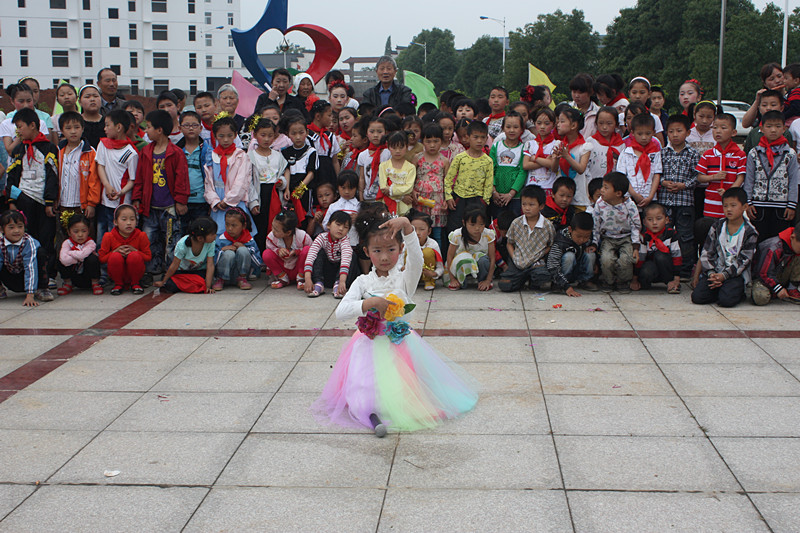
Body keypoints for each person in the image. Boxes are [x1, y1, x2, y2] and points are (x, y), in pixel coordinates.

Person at [311, 212, 478, 437]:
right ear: (366, 251)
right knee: (365, 391)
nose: (384, 257)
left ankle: (391, 409)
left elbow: (416, 260)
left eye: (391, 249)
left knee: (399, 389)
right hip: (367, 345)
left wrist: (408, 228)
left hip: (399, 345)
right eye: (377, 251)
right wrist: (368, 303)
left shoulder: (404, 279)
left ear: (400, 249)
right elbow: (341, 311)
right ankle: (370, 412)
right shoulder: (363, 282)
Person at [132, 109, 190, 285]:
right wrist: (137, 198)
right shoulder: (146, 152)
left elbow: (182, 178)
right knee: (149, 240)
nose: (146, 130)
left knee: (172, 241)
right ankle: (151, 270)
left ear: (159, 130)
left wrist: (180, 200)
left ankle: (171, 272)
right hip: (150, 207)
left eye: (149, 127)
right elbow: (140, 177)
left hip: (169, 207)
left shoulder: (175, 152)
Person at [6, 108, 59, 289]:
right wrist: (12, 201)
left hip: (43, 201)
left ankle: (48, 276)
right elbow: (12, 176)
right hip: (24, 199)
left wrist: (50, 201)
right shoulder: (18, 150)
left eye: (20, 127)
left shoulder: (49, 148)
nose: (18, 131)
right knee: (27, 239)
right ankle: (28, 276)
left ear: (33, 125)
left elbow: (52, 175)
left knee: (46, 238)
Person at [691, 188, 758, 307]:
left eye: (733, 205)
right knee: (698, 297)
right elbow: (707, 253)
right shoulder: (717, 226)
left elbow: (744, 260)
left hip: (735, 274)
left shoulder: (750, 232)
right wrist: (712, 274)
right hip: (716, 270)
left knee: (726, 301)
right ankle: (719, 288)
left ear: (744, 207)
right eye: (725, 206)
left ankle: (732, 291)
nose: (729, 209)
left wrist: (724, 276)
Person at [744, 110, 798, 241]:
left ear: (784, 129)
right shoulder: (754, 153)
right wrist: (748, 202)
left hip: (782, 206)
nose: (773, 130)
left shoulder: (790, 154)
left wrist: (792, 204)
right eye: (769, 126)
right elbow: (749, 179)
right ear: (762, 129)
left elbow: (793, 180)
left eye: (778, 126)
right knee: (758, 240)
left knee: (779, 242)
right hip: (758, 205)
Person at [95, 108, 139, 271]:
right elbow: (100, 166)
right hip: (105, 200)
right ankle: (102, 273)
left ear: (119, 127)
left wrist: (120, 192)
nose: (105, 129)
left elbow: (132, 180)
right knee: (102, 238)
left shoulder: (131, 152)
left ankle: (117, 272)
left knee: (118, 240)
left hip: (121, 204)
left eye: (108, 125)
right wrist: (107, 185)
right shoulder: (103, 144)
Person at [658, 114, 700, 276]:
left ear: (688, 133)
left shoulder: (693, 154)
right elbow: (656, 174)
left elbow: (698, 176)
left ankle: (686, 268)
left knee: (685, 236)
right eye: (671, 131)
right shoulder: (662, 153)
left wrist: (684, 185)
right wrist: (663, 182)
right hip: (665, 201)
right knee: (665, 233)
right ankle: (666, 267)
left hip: (685, 201)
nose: (675, 135)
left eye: (679, 131)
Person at [694, 113, 746, 246]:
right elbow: (699, 177)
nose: (718, 131)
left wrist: (729, 193)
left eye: (723, 128)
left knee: (728, 236)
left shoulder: (739, 155)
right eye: (715, 127)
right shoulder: (708, 154)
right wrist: (713, 177)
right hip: (711, 203)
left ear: (733, 132)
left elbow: (741, 177)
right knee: (709, 235)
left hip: (731, 204)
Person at [498, 185, 555, 292]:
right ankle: (522, 278)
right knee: (505, 285)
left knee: (542, 276)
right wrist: (514, 257)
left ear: (541, 206)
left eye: (531, 205)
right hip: (518, 259)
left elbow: (550, 245)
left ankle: (531, 279)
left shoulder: (547, 225)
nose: (527, 208)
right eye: (524, 204)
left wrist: (540, 255)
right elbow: (509, 243)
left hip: (536, 261)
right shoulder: (516, 223)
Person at [204, 115, 255, 235]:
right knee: (217, 233)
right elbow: (208, 182)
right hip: (218, 201)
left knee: (237, 232)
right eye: (221, 136)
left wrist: (228, 200)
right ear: (215, 136)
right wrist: (215, 200)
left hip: (235, 201)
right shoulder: (212, 156)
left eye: (229, 135)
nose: (226, 140)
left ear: (235, 135)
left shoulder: (241, 156)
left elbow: (242, 182)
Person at [592, 172, 641, 292]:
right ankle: (608, 281)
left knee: (626, 260)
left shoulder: (629, 205)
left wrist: (635, 246)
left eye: (606, 188)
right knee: (606, 259)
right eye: (602, 186)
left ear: (618, 193)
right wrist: (594, 243)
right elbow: (596, 225)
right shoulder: (600, 203)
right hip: (608, 238)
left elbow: (635, 226)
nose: (602, 190)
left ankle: (623, 281)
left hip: (626, 237)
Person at [445, 120, 493, 237]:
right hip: (459, 199)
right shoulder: (460, 158)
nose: (479, 141)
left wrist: (484, 201)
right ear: (468, 137)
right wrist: (449, 196)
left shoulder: (488, 161)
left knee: (476, 230)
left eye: (482, 137)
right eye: (475, 137)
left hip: (477, 200)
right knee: (455, 230)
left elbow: (488, 183)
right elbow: (448, 179)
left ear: (486, 138)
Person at [247, 118, 287, 251]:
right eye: (263, 135)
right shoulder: (250, 156)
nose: (266, 139)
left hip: (274, 193)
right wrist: (253, 202)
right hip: (259, 193)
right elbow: (248, 181)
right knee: (260, 225)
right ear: (255, 135)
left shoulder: (278, 156)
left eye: (270, 136)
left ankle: (274, 252)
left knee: (275, 223)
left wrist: (282, 182)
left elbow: (283, 173)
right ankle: (260, 253)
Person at [57, 111, 100, 228]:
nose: (73, 131)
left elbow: (94, 180)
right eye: (68, 128)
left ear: (82, 129)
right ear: (62, 131)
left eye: (77, 127)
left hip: (81, 205)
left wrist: (91, 203)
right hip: (62, 204)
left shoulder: (90, 152)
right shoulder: (57, 151)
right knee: (63, 234)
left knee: (83, 234)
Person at [154, 217, 217, 294]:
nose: (215, 236)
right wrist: (163, 281)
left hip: (198, 272)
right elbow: (174, 265)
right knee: (170, 284)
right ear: (200, 238)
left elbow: (210, 265)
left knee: (203, 283)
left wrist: (208, 287)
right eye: (212, 234)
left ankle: (188, 286)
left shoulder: (211, 243)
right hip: (182, 272)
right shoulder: (182, 244)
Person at [97, 204, 151, 295]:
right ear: (115, 222)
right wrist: (115, 251)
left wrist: (135, 251)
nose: (129, 223)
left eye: (132, 219)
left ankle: (135, 283)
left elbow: (148, 257)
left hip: (136, 271)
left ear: (136, 222)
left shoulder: (141, 235)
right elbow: (102, 259)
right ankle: (118, 284)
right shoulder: (108, 236)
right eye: (124, 219)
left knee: (134, 255)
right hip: (116, 272)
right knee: (115, 256)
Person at [0, 210, 50, 305]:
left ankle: (42, 288)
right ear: (2, 229)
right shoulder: (1, 242)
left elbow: (30, 267)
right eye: (11, 227)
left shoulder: (29, 242)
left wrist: (30, 295)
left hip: (26, 277)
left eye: (20, 226)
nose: (16, 231)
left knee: (41, 253)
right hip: (10, 278)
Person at [631, 203, 683, 293]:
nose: (654, 223)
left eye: (659, 219)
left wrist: (676, 278)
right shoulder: (644, 237)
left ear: (666, 220)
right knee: (646, 271)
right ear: (644, 222)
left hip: (666, 266)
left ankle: (670, 283)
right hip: (652, 267)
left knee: (660, 256)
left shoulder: (671, 234)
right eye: (650, 220)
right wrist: (634, 280)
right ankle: (645, 282)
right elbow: (641, 259)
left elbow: (677, 256)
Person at [303, 210, 356, 298]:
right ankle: (319, 283)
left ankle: (338, 285)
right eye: (338, 224)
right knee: (318, 252)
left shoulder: (345, 241)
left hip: (341, 275)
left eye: (345, 227)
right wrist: (307, 279)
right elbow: (311, 256)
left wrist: (342, 281)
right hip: (326, 273)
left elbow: (345, 262)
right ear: (328, 225)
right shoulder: (321, 237)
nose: (341, 229)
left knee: (352, 255)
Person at [413, 124, 449, 250]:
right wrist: (412, 192)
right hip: (420, 200)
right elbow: (411, 178)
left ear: (441, 141)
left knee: (437, 234)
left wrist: (447, 199)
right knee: (419, 232)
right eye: (428, 141)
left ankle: (438, 257)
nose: (432, 145)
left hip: (437, 201)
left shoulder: (444, 161)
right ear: (422, 141)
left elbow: (447, 182)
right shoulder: (417, 158)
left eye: (436, 141)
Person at [616, 113, 661, 211]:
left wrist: (650, 196)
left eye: (648, 133)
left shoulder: (655, 153)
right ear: (632, 133)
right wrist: (634, 194)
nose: (644, 137)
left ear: (653, 132)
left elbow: (656, 175)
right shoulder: (626, 153)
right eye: (640, 134)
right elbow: (622, 176)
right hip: (629, 197)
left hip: (650, 197)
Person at [176, 111, 212, 230]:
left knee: (201, 232)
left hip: (202, 201)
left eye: (195, 125)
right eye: (186, 125)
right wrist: (178, 200)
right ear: (180, 128)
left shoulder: (207, 151)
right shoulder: (176, 151)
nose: (191, 128)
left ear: (201, 128)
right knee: (182, 233)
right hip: (182, 202)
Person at [446, 206, 496, 291]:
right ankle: (461, 281)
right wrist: (452, 279)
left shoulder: (488, 234)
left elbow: (492, 257)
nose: (477, 228)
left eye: (481, 224)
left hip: (480, 265)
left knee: (483, 260)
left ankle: (482, 280)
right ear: (464, 223)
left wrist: (488, 280)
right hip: (461, 265)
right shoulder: (457, 235)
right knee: (464, 258)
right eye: (472, 224)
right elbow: (450, 257)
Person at [547, 211, 596, 296]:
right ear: (570, 229)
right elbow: (552, 265)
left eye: (586, 237)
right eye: (578, 236)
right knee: (569, 256)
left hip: (577, 269)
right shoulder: (560, 242)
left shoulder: (589, 238)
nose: (582, 240)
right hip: (562, 276)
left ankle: (585, 280)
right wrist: (565, 286)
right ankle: (559, 285)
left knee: (590, 254)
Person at [751, 221, 800, 305]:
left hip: (781, 275)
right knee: (760, 297)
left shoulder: (795, 247)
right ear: (792, 237)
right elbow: (763, 274)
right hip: (763, 278)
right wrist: (777, 288)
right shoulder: (773, 248)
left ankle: (792, 288)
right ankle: (776, 291)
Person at [262, 207, 311, 290]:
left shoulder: (302, 236)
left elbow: (313, 250)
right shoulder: (271, 237)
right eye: (272, 227)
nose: (272, 231)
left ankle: (301, 277)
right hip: (283, 268)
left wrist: (297, 252)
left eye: (276, 230)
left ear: (288, 232)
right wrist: (278, 251)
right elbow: (270, 250)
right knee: (266, 254)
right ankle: (282, 278)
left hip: (298, 268)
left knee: (307, 250)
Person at [214, 207, 262, 290]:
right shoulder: (221, 240)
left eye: (234, 225)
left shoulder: (249, 240)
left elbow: (258, 263)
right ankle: (221, 279)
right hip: (224, 273)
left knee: (243, 250)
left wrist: (245, 249)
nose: (230, 228)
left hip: (241, 275)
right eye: (227, 224)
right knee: (229, 253)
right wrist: (222, 250)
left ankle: (242, 278)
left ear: (243, 226)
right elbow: (212, 261)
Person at [490, 112, 527, 218]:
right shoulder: (496, 146)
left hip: (515, 197)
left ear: (521, 129)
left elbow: (522, 172)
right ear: (503, 128)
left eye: (516, 127)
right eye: (508, 127)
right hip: (497, 195)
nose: (511, 130)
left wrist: (511, 193)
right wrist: (494, 191)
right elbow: (490, 169)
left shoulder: (524, 149)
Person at [281, 113, 317, 218]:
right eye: (293, 133)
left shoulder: (311, 151)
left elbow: (311, 173)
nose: (298, 137)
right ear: (288, 134)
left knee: (305, 215)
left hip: (305, 189)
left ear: (307, 132)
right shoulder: (285, 152)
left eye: (301, 133)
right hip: (291, 189)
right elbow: (287, 170)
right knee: (290, 216)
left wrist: (301, 188)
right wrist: (287, 189)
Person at [554, 107, 591, 209]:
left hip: (579, 195)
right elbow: (554, 169)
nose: (558, 124)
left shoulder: (585, 146)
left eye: (562, 121)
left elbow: (581, 169)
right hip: (561, 196)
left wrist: (566, 156)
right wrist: (556, 158)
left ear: (573, 125)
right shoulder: (559, 144)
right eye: (558, 121)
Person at [57, 213, 102, 295]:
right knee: (59, 260)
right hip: (74, 275)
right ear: (69, 232)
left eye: (84, 231)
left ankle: (95, 283)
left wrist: (70, 253)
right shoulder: (67, 243)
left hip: (87, 276)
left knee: (92, 259)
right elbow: (64, 259)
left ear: (88, 231)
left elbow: (82, 255)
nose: (80, 235)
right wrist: (78, 258)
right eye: (76, 231)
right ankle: (68, 283)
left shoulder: (90, 243)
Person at [1, 84, 51, 156]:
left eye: (29, 101)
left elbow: (44, 147)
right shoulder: (6, 124)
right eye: (21, 101)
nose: (26, 105)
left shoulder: (41, 123)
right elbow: (10, 151)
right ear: (12, 101)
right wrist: (21, 133)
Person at [743, 90, 794, 154]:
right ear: (759, 108)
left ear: (781, 108)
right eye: (764, 105)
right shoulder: (754, 133)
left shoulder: (785, 133)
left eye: (773, 105)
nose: (768, 108)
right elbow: (747, 155)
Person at [378, 131, 416, 216]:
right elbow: (383, 188)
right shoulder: (383, 166)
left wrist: (391, 190)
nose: (398, 151)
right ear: (388, 147)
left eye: (401, 147)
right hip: (387, 204)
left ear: (407, 147)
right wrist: (401, 197)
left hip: (404, 206)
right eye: (394, 147)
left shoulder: (411, 167)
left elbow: (409, 187)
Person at [523, 108, 559, 192]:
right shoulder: (530, 144)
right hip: (532, 186)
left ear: (554, 125)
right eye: (539, 123)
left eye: (547, 124)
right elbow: (526, 165)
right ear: (534, 123)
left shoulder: (557, 144)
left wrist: (535, 158)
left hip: (549, 186)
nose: (542, 127)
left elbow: (554, 167)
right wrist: (546, 161)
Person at [586, 106, 625, 181]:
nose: (604, 127)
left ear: (616, 124)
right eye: (601, 123)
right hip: (593, 182)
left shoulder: (620, 144)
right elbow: (585, 165)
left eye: (609, 123)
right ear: (596, 123)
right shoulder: (590, 142)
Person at [322, 170, 360, 249]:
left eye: (351, 188)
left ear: (356, 188)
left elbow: (365, 227)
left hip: (353, 245)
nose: (346, 191)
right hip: (334, 246)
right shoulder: (333, 207)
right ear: (338, 187)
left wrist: (359, 219)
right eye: (343, 188)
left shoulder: (359, 207)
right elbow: (325, 225)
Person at [307, 100, 340, 187]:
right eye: (329, 115)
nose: (331, 118)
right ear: (318, 116)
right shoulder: (307, 135)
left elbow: (335, 161)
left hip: (328, 173)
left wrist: (338, 180)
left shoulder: (330, 136)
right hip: (313, 174)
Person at [407, 211, 444, 290]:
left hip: (427, 273)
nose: (417, 233)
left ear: (429, 231)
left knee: (428, 252)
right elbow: (398, 262)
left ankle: (429, 281)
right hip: (410, 275)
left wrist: (434, 274)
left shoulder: (433, 244)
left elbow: (440, 267)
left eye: (422, 229)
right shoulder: (406, 243)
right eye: (413, 229)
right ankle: (410, 282)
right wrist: (402, 268)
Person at [742, 63, 785, 130]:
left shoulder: (792, 96)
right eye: (771, 79)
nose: (777, 81)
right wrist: (757, 100)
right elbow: (745, 124)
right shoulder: (762, 98)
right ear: (765, 83)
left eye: (779, 76)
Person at [357, 117, 390, 202]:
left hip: (385, 197)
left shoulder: (389, 153)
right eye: (372, 132)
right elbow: (362, 178)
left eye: (379, 132)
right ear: (366, 133)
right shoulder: (362, 155)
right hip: (368, 197)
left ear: (386, 133)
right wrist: (361, 197)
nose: (375, 135)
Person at [626, 76, 665, 145]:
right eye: (634, 92)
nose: (638, 96)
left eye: (642, 92)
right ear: (629, 93)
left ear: (649, 94)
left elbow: (660, 143)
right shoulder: (623, 116)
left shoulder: (654, 118)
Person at [569, 73, 599, 138]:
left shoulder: (598, 112)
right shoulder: (567, 108)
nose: (576, 96)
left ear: (591, 92)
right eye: (574, 92)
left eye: (580, 92)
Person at [78, 84, 105, 148]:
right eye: (87, 97)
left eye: (95, 96)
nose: (92, 99)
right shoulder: (76, 122)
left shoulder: (108, 121)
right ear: (80, 102)